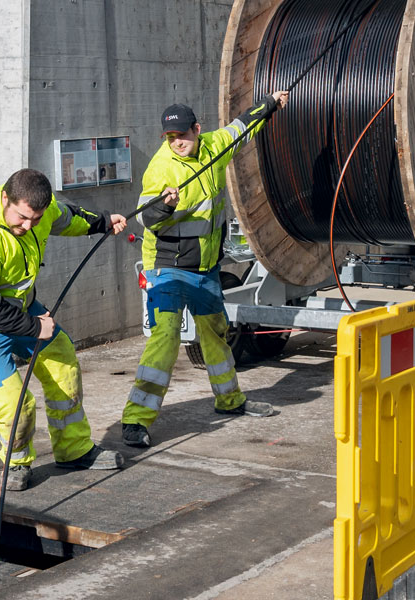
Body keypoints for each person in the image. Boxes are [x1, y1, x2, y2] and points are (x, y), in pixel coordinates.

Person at [0, 168, 128, 491]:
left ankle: (74, 450)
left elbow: (71, 218)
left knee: (62, 358)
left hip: (16, 306)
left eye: (35, 220)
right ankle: (16, 462)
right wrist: (35, 326)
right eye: (21, 218)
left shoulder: (39, 213)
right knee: (14, 404)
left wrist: (104, 221)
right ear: (5, 198)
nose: (28, 227)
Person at [121, 91, 290, 448]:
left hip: (205, 268)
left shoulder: (214, 146)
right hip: (166, 268)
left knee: (216, 332)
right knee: (165, 339)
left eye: (182, 135)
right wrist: (163, 207)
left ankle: (230, 401)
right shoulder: (161, 168)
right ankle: (136, 420)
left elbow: (242, 127)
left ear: (197, 130)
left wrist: (271, 103)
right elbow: (146, 219)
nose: (177, 143)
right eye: (170, 138)